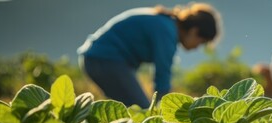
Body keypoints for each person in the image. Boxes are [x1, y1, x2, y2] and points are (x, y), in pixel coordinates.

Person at [78, 3, 221, 107]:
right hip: (106, 60)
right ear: (194, 31)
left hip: (96, 59)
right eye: (201, 42)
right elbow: (162, 78)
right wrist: (168, 110)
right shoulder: (167, 32)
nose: (197, 47)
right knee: (142, 112)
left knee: (123, 110)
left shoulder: (165, 24)